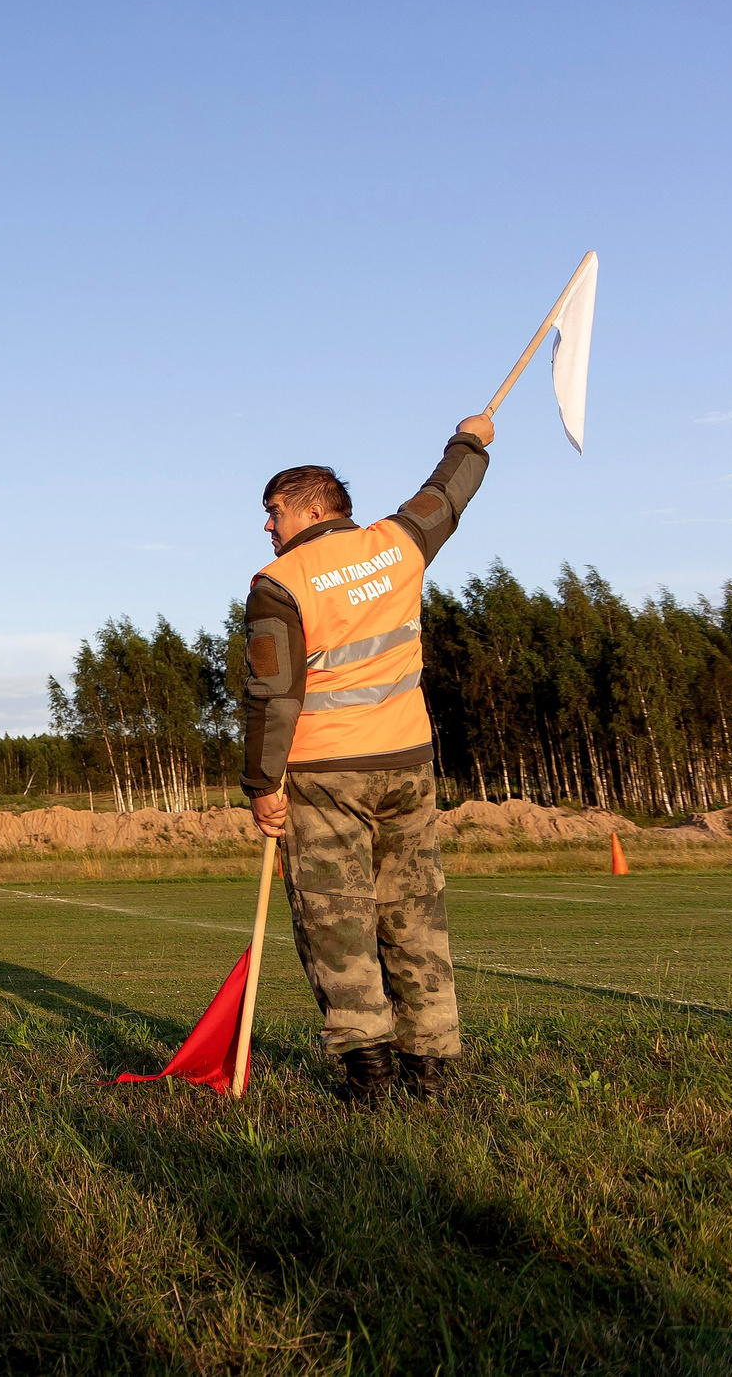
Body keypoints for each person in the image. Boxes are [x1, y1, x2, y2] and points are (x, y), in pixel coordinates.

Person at [242, 412, 493, 1107]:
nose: (268, 526)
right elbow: (447, 496)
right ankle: (433, 1067)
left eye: (274, 511)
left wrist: (263, 786)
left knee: (336, 920)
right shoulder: (398, 542)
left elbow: (272, 694)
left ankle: (370, 1074)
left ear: (315, 506)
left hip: (326, 774)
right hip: (409, 761)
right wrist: (472, 441)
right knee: (416, 912)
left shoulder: (278, 582)